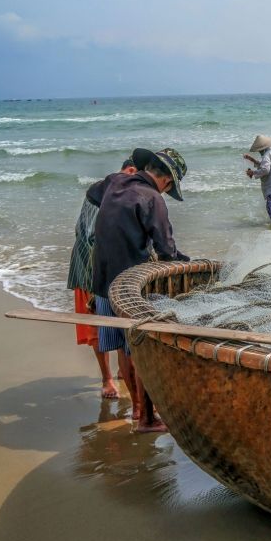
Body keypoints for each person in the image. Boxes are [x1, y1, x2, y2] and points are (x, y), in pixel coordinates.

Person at [91, 147, 190, 432]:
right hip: (129, 286)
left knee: (124, 348)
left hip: (101, 280)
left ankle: (137, 409)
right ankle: (146, 417)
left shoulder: (113, 181)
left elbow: (91, 194)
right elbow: (166, 248)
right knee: (141, 350)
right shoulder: (152, 198)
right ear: (166, 182)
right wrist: (180, 261)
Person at [67, 157, 137, 398]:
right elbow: (90, 238)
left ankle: (121, 372)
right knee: (98, 327)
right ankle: (107, 378)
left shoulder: (110, 189)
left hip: (105, 268)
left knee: (113, 326)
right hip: (89, 267)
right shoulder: (106, 194)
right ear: (130, 170)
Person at [243, 135, 271, 224]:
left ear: (261, 149)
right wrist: (252, 160)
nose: (259, 152)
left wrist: (253, 173)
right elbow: (264, 165)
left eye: (259, 150)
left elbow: (265, 170)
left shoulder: (266, 155)